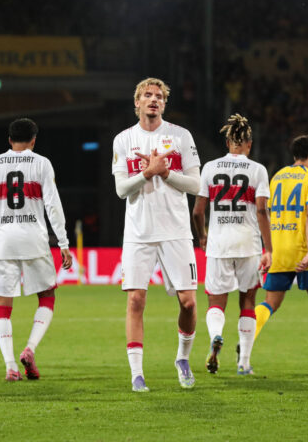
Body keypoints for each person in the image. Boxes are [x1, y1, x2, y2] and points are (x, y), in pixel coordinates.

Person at [112, 77, 201, 392]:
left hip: (176, 231)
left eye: (159, 96)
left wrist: (166, 173)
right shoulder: (124, 140)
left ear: (164, 103)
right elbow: (121, 189)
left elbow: (196, 184)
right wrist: (146, 173)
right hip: (139, 232)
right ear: (136, 102)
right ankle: (137, 373)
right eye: (147, 95)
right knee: (136, 300)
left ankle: (182, 358)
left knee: (189, 303)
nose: (153, 100)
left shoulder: (180, 136)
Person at [0, 118, 72, 382]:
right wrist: (63, 243)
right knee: (47, 296)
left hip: (3, 239)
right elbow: (53, 205)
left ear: (9, 140)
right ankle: (29, 348)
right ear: (33, 141)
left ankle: (10, 367)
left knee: (2, 303)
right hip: (34, 238)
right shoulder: (41, 163)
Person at [192, 114, 272, 376]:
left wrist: (202, 236)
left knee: (216, 300)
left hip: (219, 243)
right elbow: (261, 211)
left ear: (228, 142)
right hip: (248, 243)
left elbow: (197, 211)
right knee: (248, 300)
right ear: (249, 143)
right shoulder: (258, 170)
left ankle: (216, 336)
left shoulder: (210, 168)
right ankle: (244, 363)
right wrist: (268, 248)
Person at [254, 135, 308, 370]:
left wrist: (269, 247)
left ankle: (245, 342)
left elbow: (266, 212)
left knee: (270, 302)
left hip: (279, 246)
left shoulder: (277, 176)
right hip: (303, 247)